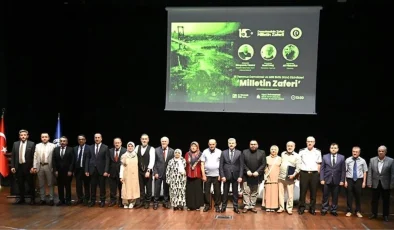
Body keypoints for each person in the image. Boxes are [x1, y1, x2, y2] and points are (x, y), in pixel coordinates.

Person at [367, 145, 394, 222]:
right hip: (375, 183)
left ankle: (385, 215)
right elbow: (370, 172)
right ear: (377, 151)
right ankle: (374, 214)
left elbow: (392, 174)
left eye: (382, 151)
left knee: (386, 200)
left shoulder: (391, 161)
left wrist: (392, 184)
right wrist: (369, 182)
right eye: (379, 151)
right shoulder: (372, 160)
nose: (381, 152)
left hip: (386, 184)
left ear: (385, 152)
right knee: (374, 200)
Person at [10, 129, 36, 205]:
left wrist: (33, 167)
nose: (23, 136)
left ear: (27, 136)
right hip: (19, 167)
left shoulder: (32, 144)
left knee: (31, 184)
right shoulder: (15, 144)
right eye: (21, 135)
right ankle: (22, 199)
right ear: (19, 136)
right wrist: (12, 166)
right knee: (20, 184)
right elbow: (13, 156)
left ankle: (32, 199)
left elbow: (34, 157)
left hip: (28, 168)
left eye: (24, 135)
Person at [298, 136, 322, 215]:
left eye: (311, 141)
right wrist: (299, 173)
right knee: (302, 192)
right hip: (304, 173)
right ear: (306, 142)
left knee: (313, 192)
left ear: (314, 143)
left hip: (314, 174)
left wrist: (317, 174)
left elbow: (319, 163)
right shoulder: (301, 151)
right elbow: (299, 163)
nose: (310, 143)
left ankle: (312, 208)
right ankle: (301, 208)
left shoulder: (318, 151)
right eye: (308, 141)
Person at [320, 143, 345, 216]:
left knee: (335, 196)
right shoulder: (325, 156)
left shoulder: (342, 157)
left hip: (337, 180)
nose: (333, 149)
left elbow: (343, 170)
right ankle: (324, 209)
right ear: (329, 149)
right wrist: (322, 178)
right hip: (327, 179)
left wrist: (342, 180)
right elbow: (322, 169)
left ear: (337, 149)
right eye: (332, 148)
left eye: (335, 148)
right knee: (325, 195)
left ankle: (333, 210)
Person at [219, 138, 243, 214]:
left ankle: (235, 207)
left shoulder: (239, 153)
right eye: (230, 143)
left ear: (235, 144)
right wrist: (222, 175)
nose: (231, 144)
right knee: (225, 193)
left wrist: (240, 176)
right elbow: (221, 165)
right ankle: (223, 207)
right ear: (228, 144)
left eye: (233, 143)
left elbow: (241, 166)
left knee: (235, 193)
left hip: (235, 175)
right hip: (226, 176)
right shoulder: (223, 152)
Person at [86, 133, 110, 207]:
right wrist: (86, 170)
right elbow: (87, 159)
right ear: (94, 138)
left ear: (101, 138)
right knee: (92, 187)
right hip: (92, 170)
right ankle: (92, 201)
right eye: (95, 137)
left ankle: (102, 201)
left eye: (98, 137)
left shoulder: (105, 147)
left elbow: (107, 160)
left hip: (101, 170)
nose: (97, 139)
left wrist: (106, 170)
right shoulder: (90, 147)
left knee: (102, 187)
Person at [242, 140, 266, 213]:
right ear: (249, 145)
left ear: (257, 145)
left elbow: (263, 164)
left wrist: (257, 172)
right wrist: (247, 170)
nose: (253, 145)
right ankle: (246, 205)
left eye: (254, 144)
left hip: (256, 176)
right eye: (251, 144)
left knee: (254, 191)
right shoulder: (244, 152)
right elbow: (242, 163)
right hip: (246, 175)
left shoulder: (262, 152)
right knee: (246, 191)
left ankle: (252, 205)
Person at [33, 133, 56, 206]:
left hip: (49, 166)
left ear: (49, 138)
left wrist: (54, 168)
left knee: (50, 183)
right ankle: (42, 199)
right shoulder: (37, 145)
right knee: (41, 184)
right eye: (43, 137)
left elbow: (55, 158)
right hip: (40, 166)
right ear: (41, 138)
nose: (44, 138)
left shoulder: (53, 145)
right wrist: (34, 166)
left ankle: (51, 199)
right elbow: (35, 156)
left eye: (46, 137)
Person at [277, 141, 300, 215]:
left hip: (290, 177)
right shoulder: (283, 154)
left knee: (290, 195)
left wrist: (294, 175)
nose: (289, 147)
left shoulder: (297, 156)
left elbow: (298, 167)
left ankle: (289, 208)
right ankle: (281, 207)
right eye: (288, 146)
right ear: (286, 146)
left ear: (294, 146)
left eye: (291, 146)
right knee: (281, 194)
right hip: (281, 177)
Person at [344, 146, 367, 217]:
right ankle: (349, 210)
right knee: (349, 196)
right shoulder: (348, 160)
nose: (354, 153)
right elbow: (344, 171)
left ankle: (358, 211)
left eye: (356, 152)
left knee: (358, 196)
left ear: (359, 153)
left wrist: (364, 182)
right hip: (349, 179)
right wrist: (345, 181)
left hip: (359, 180)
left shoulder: (362, 161)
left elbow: (365, 171)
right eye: (353, 151)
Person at [135, 134, 156, 209]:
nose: (144, 140)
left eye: (145, 139)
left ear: (148, 140)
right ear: (140, 139)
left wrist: (148, 170)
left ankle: (147, 202)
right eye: (143, 139)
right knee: (141, 187)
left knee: (148, 187)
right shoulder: (137, 147)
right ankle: (142, 201)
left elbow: (152, 160)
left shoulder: (151, 149)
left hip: (147, 171)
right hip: (139, 171)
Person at [201, 139, 222, 212]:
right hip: (207, 175)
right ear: (208, 144)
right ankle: (207, 205)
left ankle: (217, 206)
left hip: (217, 175)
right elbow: (202, 164)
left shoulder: (219, 152)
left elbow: (221, 165)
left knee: (217, 191)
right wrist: (203, 175)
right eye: (210, 144)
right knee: (206, 191)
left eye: (213, 144)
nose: (211, 146)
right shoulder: (205, 151)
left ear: (215, 144)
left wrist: (220, 175)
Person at [153, 136, 174, 209]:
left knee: (166, 188)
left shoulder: (172, 151)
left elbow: (173, 163)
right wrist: (155, 172)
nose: (164, 142)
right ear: (161, 142)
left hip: (167, 173)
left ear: (168, 142)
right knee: (157, 189)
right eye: (162, 141)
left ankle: (165, 202)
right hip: (158, 173)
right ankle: (155, 202)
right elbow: (154, 162)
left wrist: (171, 173)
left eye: (165, 141)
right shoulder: (156, 150)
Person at [52, 136, 74, 206]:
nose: (62, 142)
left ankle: (68, 200)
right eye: (61, 141)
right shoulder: (56, 149)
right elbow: (54, 161)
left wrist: (70, 170)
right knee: (60, 186)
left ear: (67, 142)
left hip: (67, 171)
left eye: (64, 141)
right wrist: (55, 170)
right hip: (59, 172)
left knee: (67, 186)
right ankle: (61, 200)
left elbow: (72, 161)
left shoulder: (71, 149)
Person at [120, 142, 140, 209]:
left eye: (131, 146)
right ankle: (125, 203)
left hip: (134, 175)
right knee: (125, 189)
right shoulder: (124, 156)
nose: (130, 147)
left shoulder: (136, 155)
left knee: (133, 188)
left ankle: (132, 202)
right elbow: (122, 167)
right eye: (129, 146)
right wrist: (121, 176)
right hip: (126, 175)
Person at [185, 141, 204, 211]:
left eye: (195, 146)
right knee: (190, 191)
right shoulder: (187, 154)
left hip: (198, 175)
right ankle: (190, 205)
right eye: (192, 146)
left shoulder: (201, 154)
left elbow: (202, 165)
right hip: (189, 175)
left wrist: (203, 175)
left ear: (197, 147)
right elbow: (185, 164)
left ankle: (197, 206)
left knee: (197, 190)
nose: (193, 147)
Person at [108, 138, 126, 207]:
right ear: (113, 143)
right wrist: (107, 171)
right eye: (115, 143)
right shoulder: (110, 151)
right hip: (112, 172)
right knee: (112, 188)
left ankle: (121, 201)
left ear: (121, 143)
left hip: (121, 173)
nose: (117, 144)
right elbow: (108, 161)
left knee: (121, 188)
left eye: (118, 142)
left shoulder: (125, 150)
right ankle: (113, 200)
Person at [74, 135, 91, 205]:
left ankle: (87, 199)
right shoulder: (75, 148)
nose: (81, 140)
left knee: (86, 185)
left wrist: (88, 170)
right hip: (77, 170)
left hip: (86, 169)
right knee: (78, 185)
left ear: (85, 140)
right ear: (78, 140)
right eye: (79, 139)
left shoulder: (89, 148)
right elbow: (73, 160)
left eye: (82, 139)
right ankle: (80, 199)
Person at [264, 145, 281, 212]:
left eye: (275, 149)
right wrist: (265, 175)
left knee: (275, 193)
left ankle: (274, 206)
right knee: (268, 192)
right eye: (272, 149)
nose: (273, 151)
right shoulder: (266, 158)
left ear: (277, 151)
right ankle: (267, 206)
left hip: (277, 178)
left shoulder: (280, 158)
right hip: (268, 178)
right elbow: (264, 167)